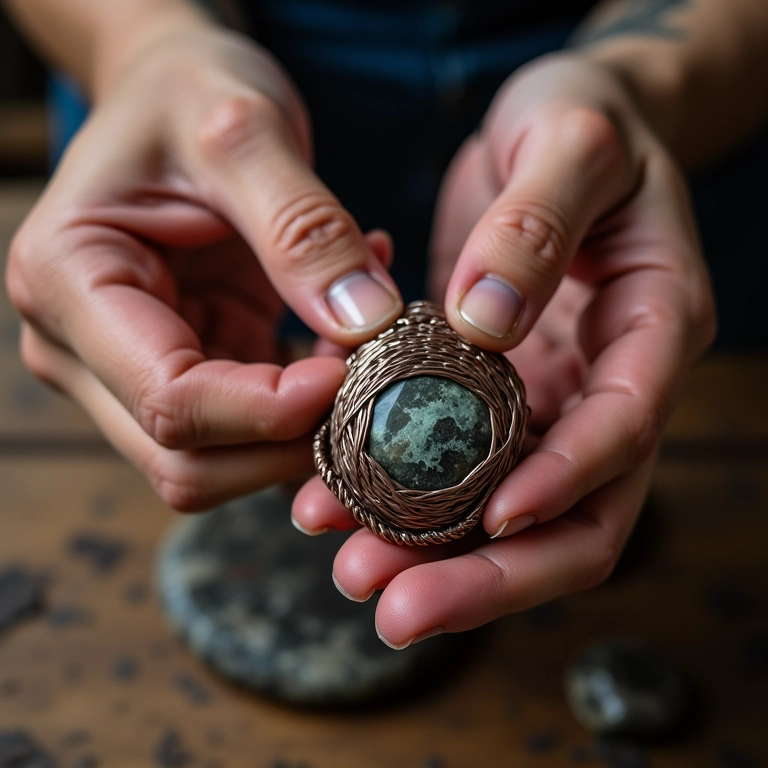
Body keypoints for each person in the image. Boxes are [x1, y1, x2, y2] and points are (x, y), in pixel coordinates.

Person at [3, 0, 767, 650]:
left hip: (622, 189)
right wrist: (147, 46)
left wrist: (638, 86)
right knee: (211, 418)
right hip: (203, 172)